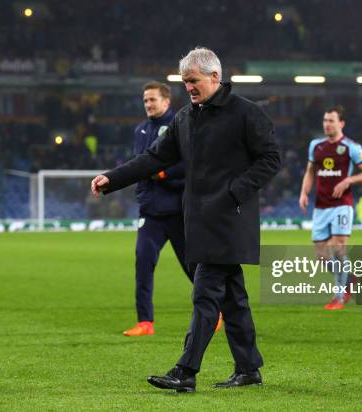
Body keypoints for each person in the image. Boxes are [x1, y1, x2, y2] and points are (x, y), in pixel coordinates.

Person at [91, 47, 281, 391]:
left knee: (204, 295)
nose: (189, 88)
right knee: (232, 299)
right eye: (184, 82)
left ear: (214, 77)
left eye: (193, 81)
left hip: (228, 222)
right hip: (200, 222)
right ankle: (249, 368)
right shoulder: (185, 118)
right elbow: (154, 158)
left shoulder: (246, 113)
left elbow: (270, 158)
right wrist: (113, 178)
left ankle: (186, 372)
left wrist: (234, 193)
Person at [122, 81, 200, 337]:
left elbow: (188, 165)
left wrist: (164, 173)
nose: (148, 104)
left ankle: (218, 309)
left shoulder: (179, 126)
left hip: (177, 210)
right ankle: (145, 322)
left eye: (152, 99)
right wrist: (145, 190)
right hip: (151, 212)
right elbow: (139, 166)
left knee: (193, 266)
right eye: (145, 100)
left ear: (166, 101)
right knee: (143, 262)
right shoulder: (140, 130)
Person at [298, 106, 362, 310]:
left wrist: (348, 180)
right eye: (325, 120)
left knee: (338, 249)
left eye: (331, 120)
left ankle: (338, 297)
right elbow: (310, 172)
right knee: (321, 256)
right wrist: (304, 193)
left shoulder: (352, 147)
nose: (327, 124)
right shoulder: (316, 145)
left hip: (342, 205)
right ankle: (349, 277)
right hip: (321, 206)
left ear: (341, 123)